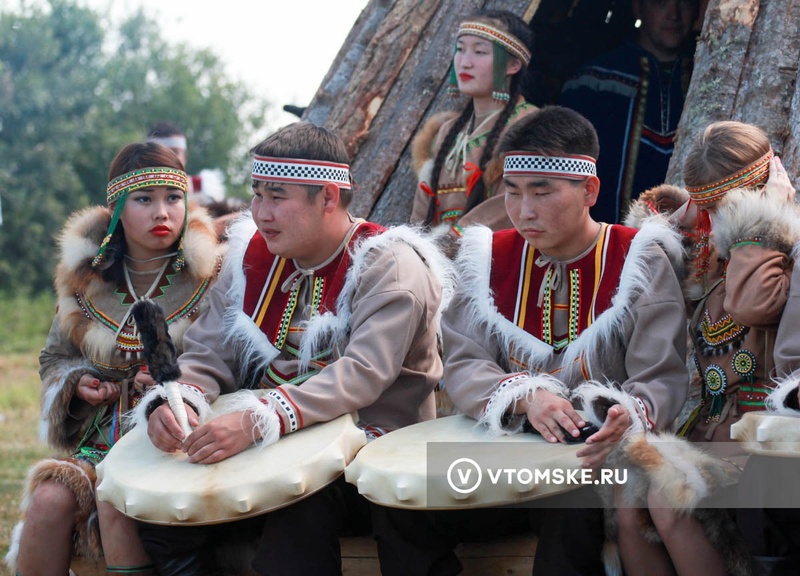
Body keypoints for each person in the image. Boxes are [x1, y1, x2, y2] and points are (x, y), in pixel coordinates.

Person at [374, 105, 689, 576]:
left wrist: (623, 415)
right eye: (513, 192)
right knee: (398, 503)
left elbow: (659, 375)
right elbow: (464, 362)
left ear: (590, 190)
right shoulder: (487, 259)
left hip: (590, 464)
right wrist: (527, 395)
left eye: (542, 192)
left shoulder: (637, 258)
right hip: (497, 456)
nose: (523, 211)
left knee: (575, 507)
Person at [133, 121, 453, 576]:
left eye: (277, 196)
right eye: (257, 194)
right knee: (163, 517)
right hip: (269, 447)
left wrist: (257, 419)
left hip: (372, 460)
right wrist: (180, 402)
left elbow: (362, 372)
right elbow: (207, 353)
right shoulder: (251, 258)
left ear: (327, 197)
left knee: (298, 505)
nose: (260, 213)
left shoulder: (389, 263)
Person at [5, 142, 224, 576]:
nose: (162, 213)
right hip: (99, 443)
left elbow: (228, 361)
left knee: (115, 496)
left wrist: (170, 390)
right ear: (117, 207)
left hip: (180, 440)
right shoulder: (85, 279)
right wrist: (78, 382)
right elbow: (53, 359)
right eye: (144, 200)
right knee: (49, 499)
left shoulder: (215, 275)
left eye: (173, 198)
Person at [619, 120, 799, 576]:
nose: (715, 220)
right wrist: (666, 222)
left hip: (763, 438)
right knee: (626, 499)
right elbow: (639, 274)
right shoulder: (704, 253)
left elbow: (751, 304)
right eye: (709, 207)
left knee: (666, 497)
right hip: (708, 429)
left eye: (727, 206)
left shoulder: (782, 247)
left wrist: (760, 224)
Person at [560, 0, 699, 224]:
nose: (674, 15)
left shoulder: (713, 79)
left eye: (684, 3)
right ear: (638, 8)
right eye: (661, 4)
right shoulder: (592, 82)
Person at [410, 9, 537, 238]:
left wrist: (454, 239)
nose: (465, 62)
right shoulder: (446, 131)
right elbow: (422, 209)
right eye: (460, 49)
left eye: (479, 51)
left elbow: (515, 203)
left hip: (494, 256)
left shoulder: (531, 125)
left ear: (512, 65)